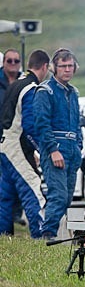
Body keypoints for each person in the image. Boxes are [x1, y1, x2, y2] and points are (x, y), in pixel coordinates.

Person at [33, 48, 82, 240]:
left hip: (72, 150)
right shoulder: (45, 91)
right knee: (58, 195)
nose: (67, 70)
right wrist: (53, 150)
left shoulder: (74, 92)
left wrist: (78, 146)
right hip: (55, 149)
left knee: (67, 198)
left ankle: (49, 232)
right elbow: (41, 124)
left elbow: (77, 123)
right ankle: (47, 235)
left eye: (70, 66)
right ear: (54, 68)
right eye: (63, 66)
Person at [0, 49, 50, 237]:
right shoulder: (30, 88)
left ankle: (4, 237)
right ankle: (41, 238)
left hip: (5, 145)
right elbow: (30, 125)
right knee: (34, 190)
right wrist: (42, 150)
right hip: (16, 147)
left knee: (5, 196)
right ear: (45, 67)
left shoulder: (16, 84)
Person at [0, 48, 25, 225]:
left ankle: (15, 214)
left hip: (19, 138)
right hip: (1, 135)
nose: (13, 64)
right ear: (3, 63)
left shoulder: (24, 82)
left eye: (16, 61)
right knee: (4, 180)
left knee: (19, 177)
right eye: (9, 61)